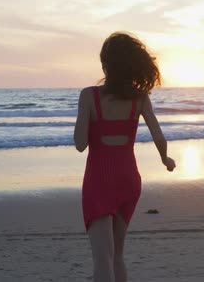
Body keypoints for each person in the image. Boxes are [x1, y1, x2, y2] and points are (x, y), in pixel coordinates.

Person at [73, 31, 176, 282]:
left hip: (99, 181)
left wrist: (88, 120)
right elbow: (159, 136)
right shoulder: (139, 98)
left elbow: (80, 144)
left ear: (106, 64)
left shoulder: (89, 96)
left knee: (102, 260)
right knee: (117, 255)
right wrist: (166, 159)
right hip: (129, 179)